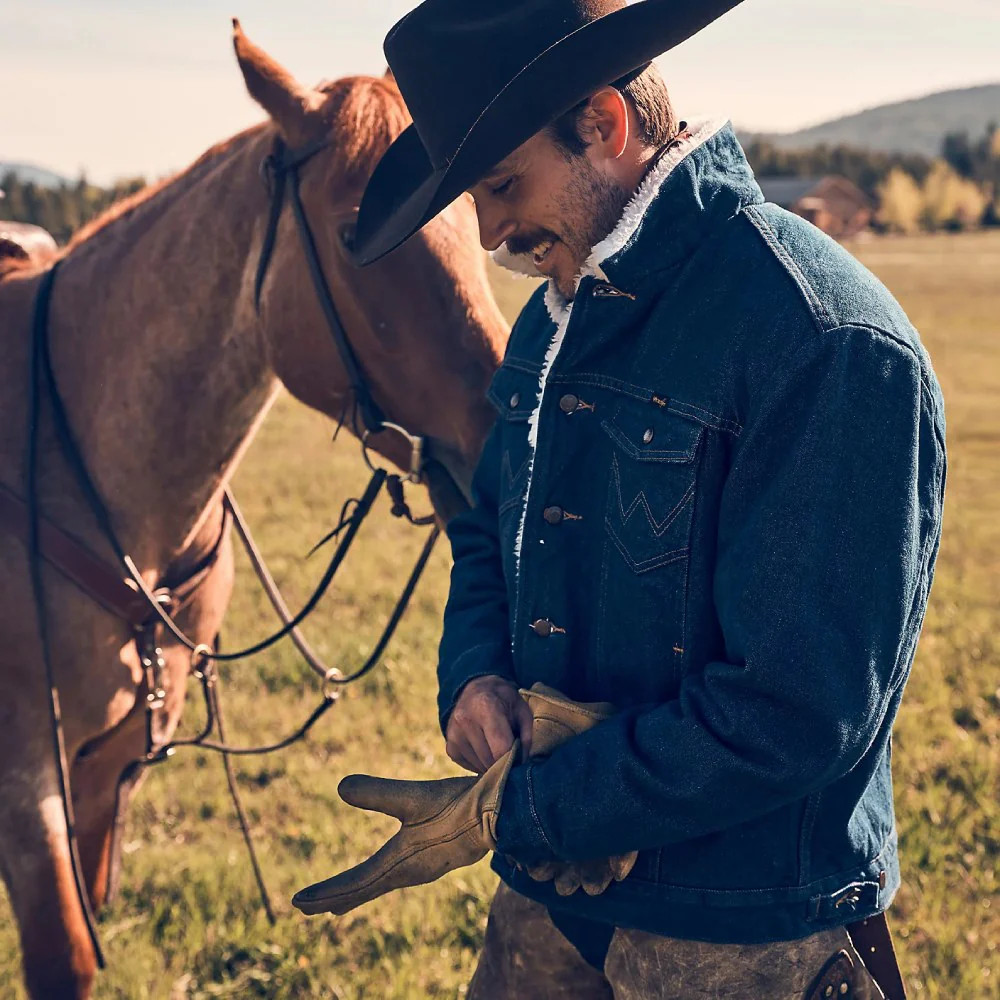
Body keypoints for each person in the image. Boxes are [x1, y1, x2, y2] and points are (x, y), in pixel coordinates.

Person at [293, 3, 946, 997]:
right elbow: (485, 529)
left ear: (604, 124)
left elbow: (795, 712)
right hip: (550, 907)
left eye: (503, 184)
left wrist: (537, 810)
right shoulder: (552, 323)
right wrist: (474, 678)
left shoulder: (824, 340)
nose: (494, 230)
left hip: (737, 937)